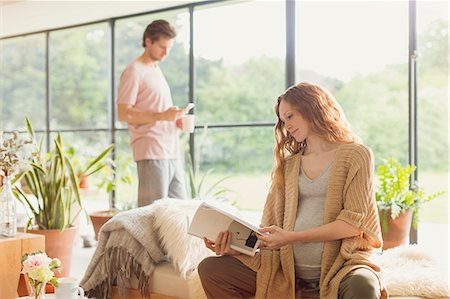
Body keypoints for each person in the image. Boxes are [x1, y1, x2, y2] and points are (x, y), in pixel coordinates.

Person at [198, 82, 387, 299]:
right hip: (285, 274)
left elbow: (354, 224)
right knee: (211, 270)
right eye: (282, 120)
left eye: (290, 116)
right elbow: (269, 232)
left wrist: (291, 238)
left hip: (341, 270)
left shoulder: (357, 155)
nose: (286, 125)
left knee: (364, 285)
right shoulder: (288, 166)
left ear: (313, 108)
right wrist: (235, 247)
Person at [117, 20, 188, 207]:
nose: (166, 53)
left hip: (171, 150)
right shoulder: (134, 71)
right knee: (152, 214)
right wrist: (161, 116)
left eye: (169, 48)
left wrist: (174, 120)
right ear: (148, 41)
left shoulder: (156, 70)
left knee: (181, 212)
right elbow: (124, 113)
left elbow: (156, 108)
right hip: (151, 149)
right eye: (162, 47)